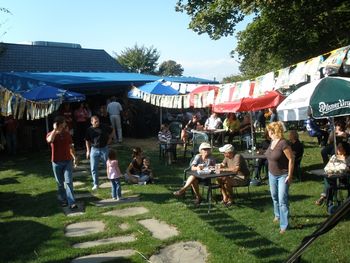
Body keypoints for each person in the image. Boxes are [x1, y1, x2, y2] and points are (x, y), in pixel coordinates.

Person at [265, 121, 294, 234]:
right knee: (274, 196)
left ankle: (284, 225)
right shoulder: (272, 142)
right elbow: (270, 154)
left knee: (282, 200)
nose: (268, 132)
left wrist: (290, 175)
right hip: (272, 174)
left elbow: (291, 159)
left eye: (269, 130)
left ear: (273, 131)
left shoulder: (283, 143)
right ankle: (277, 215)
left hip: (283, 175)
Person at [46, 116, 78, 210]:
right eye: (64, 122)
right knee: (60, 183)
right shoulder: (50, 134)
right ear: (59, 124)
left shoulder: (67, 134)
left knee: (68, 182)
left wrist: (74, 157)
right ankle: (63, 200)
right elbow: (49, 140)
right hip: (56, 162)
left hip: (67, 161)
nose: (65, 124)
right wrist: (55, 130)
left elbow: (70, 146)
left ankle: (71, 202)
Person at [316, 142, 350, 207]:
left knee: (328, 180)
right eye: (337, 147)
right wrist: (333, 171)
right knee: (327, 177)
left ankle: (325, 197)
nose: (337, 149)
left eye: (340, 147)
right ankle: (329, 201)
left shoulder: (348, 158)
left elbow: (345, 169)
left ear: (345, 149)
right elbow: (327, 167)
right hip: (332, 178)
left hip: (344, 179)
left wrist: (334, 170)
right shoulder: (334, 156)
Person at [85, 115, 113, 190]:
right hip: (94, 149)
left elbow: (112, 130)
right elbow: (87, 140)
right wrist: (88, 151)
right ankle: (96, 184)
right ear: (92, 122)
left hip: (104, 148)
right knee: (93, 168)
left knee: (108, 165)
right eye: (95, 121)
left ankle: (111, 179)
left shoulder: (104, 126)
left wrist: (110, 138)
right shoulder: (89, 130)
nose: (97, 122)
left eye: (98, 120)